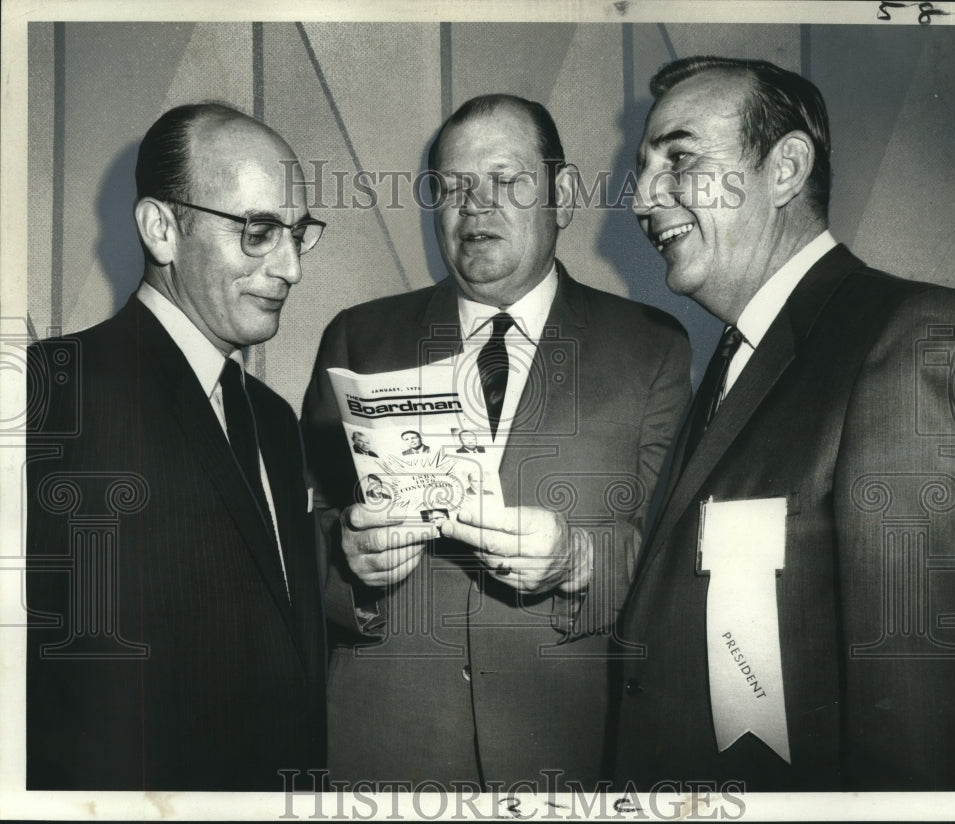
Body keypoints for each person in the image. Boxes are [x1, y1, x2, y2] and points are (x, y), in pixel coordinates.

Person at [301, 94, 691, 790]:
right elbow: (297, 539)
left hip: (571, 750)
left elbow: (674, 559)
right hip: (386, 750)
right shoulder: (358, 337)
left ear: (562, 194)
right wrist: (345, 558)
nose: (474, 207)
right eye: (452, 187)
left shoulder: (652, 350)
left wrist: (577, 561)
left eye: (505, 180)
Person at [610, 57, 955, 792]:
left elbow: (918, 729)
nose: (643, 195)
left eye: (678, 158)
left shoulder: (911, 340)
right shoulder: (731, 361)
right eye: (645, 167)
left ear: (785, 169)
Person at [25, 103, 328, 791]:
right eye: (258, 231)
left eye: (297, 233)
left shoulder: (276, 422)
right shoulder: (50, 392)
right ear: (161, 229)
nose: (290, 268)